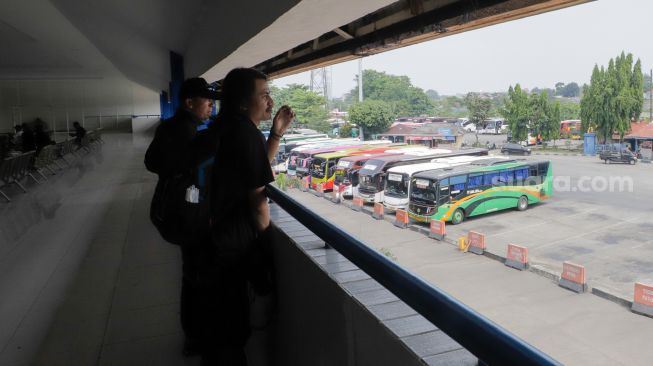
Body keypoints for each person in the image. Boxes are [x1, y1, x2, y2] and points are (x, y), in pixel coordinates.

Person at [203, 68, 293, 365]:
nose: (270, 101)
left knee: (222, 325)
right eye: (264, 94)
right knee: (232, 328)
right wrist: (267, 241)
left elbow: (254, 169)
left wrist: (276, 133)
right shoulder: (244, 133)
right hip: (232, 242)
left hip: (214, 237)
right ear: (243, 103)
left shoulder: (230, 127)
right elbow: (258, 200)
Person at [144, 77, 219, 357]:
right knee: (198, 275)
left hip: (173, 211)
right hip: (189, 215)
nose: (212, 104)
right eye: (206, 100)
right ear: (189, 102)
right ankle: (197, 336)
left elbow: (151, 162)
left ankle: (193, 334)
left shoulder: (170, 127)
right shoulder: (190, 132)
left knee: (192, 272)